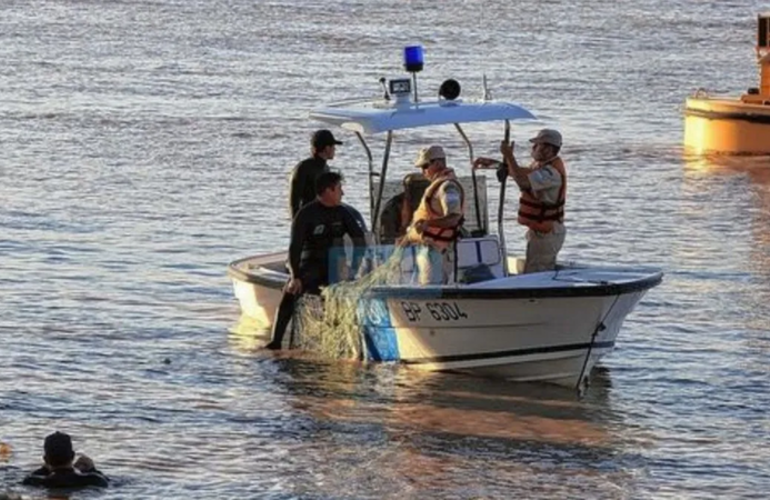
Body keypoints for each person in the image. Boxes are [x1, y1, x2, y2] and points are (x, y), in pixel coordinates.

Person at [266, 171, 367, 350]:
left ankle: (347, 341)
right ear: (328, 191)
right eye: (339, 189)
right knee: (290, 293)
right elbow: (294, 248)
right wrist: (294, 276)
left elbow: (360, 242)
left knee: (342, 298)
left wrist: (353, 270)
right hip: (310, 263)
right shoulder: (306, 214)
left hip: (336, 266)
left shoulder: (343, 212)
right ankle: (276, 342)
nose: (342, 193)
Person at [473, 128, 567, 273]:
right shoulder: (540, 166)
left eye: (538, 145)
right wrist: (494, 164)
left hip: (548, 232)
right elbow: (518, 172)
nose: (533, 148)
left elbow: (523, 181)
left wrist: (509, 155)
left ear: (548, 149)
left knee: (538, 272)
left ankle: (537, 294)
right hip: (539, 229)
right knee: (532, 267)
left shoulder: (551, 173)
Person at [401, 145, 465, 285]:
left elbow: (454, 217)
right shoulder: (436, 186)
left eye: (425, 166)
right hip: (429, 249)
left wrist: (428, 224)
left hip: (439, 251)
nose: (423, 171)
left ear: (438, 163)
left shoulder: (447, 187)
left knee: (432, 288)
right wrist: (406, 238)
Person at [22, 431, 108, 489]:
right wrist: (92, 469)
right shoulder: (94, 479)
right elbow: (107, 483)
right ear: (73, 455)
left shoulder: (32, 481)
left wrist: (43, 469)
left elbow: (27, 480)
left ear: (45, 459)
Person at [289, 129, 343, 219]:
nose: (335, 149)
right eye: (333, 146)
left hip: (320, 216)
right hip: (307, 216)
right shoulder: (304, 167)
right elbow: (294, 199)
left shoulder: (325, 167)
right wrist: (296, 222)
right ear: (327, 148)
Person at [378, 173, 430, 245]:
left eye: (423, 189)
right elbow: (387, 240)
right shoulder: (392, 209)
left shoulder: (435, 204)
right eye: (417, 189)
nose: (420, 193)